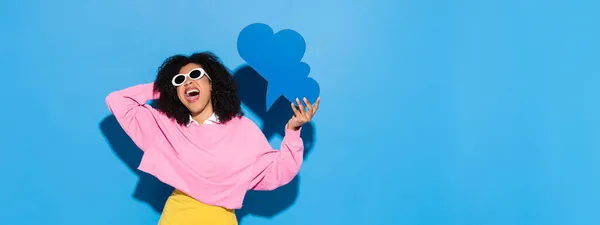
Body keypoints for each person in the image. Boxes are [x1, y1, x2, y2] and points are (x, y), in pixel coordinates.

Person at [105, 51, 320, 225]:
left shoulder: (242, 130)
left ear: (212, 84)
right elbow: (117, 101)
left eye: (196, 75)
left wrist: (292, 132)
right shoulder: (166, 126)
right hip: (176, 217)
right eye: (180, 80)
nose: (188, 82)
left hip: (220, 219)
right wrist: (163, 86)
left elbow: (277, 172)